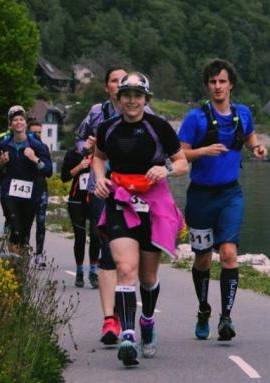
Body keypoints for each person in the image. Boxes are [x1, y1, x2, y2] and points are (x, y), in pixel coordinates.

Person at [92, 72, 187, 367]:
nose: (132, 101)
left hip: (153, 203)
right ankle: (129, 335)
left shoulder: (158, 127)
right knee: (124, 267)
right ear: (119, 98)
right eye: (127, 95)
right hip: (121, 200)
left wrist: (166, 170)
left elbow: (182, 162)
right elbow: (98, 156)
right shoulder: (108, 128)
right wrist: (99, 179)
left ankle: (146, 321)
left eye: (138, 95)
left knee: (147, 277)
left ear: (146, 99)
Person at [178, 58, 267, 341]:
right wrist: (203, 152)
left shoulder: (242, 113)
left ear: (231, 85)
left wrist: (257, 147)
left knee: (228, 253)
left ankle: (226, 318)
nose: (217, 87)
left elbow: (250, 136)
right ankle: (203, 308)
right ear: (208, 86)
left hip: (230, 194)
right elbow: (179, 155)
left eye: (222, 82)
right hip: (200, 197)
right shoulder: (196, 118)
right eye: (213, 82)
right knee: (203, 258)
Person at [75, 67, 127, 345]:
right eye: (114, 81)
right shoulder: (97, 112)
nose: (119, 85)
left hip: (131, 190)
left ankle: (123, 309)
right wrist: (88, 147)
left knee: (128, 255)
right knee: (107, 244)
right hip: (101, 187)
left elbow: (163, 149)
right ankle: (111, 317)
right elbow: (79, 139)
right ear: (107, 87)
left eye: (123, 80)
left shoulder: (143, 110)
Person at [0, 106, 52, 256]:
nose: (18, 122)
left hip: (30, 194)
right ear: (10, 125)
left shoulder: (37, 146)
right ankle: (13, 267)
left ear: (25, 124)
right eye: (15, 120)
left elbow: (49, 171)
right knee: (15, 227)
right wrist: (2, 162)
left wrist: (34, 159)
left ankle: (21, 269)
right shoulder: (4, 145)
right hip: (9, 192)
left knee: (24, 233)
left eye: (21, 119)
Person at [61, 135, 100, 288]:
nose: (89, 144)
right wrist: (79, 167)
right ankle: (79, 272)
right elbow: (64, 177)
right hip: (77, 200)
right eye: (87, 141)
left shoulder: (101, 156)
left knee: (96, 236)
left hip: (96, 199)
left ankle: (93, 271)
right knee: (80, 237)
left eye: (93, 141)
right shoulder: (73, 155)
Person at [28, 118, 50, 267]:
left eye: (39, 133)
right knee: (25, 222)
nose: (37, 135)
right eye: (34, 132)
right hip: (26, 189)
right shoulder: (23, 146)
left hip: (41, 187)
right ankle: (22, 252)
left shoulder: (43, 148)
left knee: (41, 222)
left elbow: (49, 171)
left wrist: (36, 160)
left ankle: (39, 254)